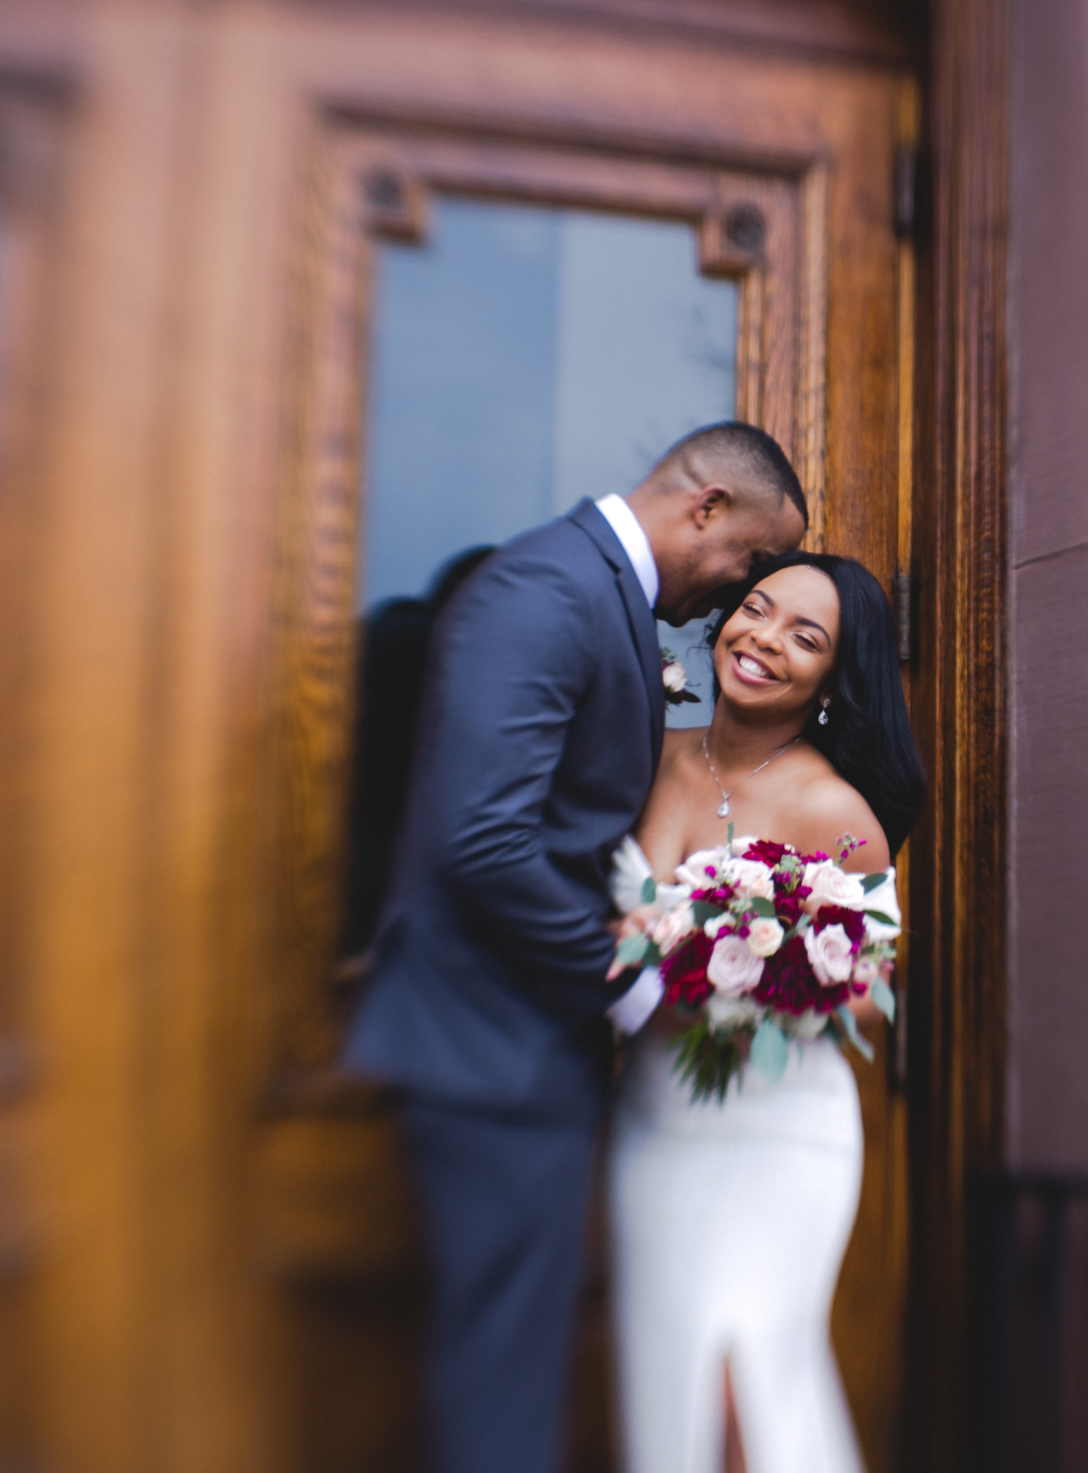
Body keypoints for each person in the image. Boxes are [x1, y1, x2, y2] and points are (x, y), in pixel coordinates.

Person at [345, 422, 808, 1473]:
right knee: (503, 1377)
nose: (741, 593)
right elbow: (484, 837)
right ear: (706, 510)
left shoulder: (594, 595)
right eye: (751, 562)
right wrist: (633, 983)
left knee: (510, 1358)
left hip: (510, 1048)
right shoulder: (550, 592)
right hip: (489, 1049)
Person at [606, 553, 925, 1473]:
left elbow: (868, 988)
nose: (763, 639)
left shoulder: (838, 809)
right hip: (655, 1123)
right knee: (670, 1390)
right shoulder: (647, 752)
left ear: (832, 676)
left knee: (745, 1384)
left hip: (779, 1139)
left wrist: (749, 961)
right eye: (757, 608)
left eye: (805, 636)